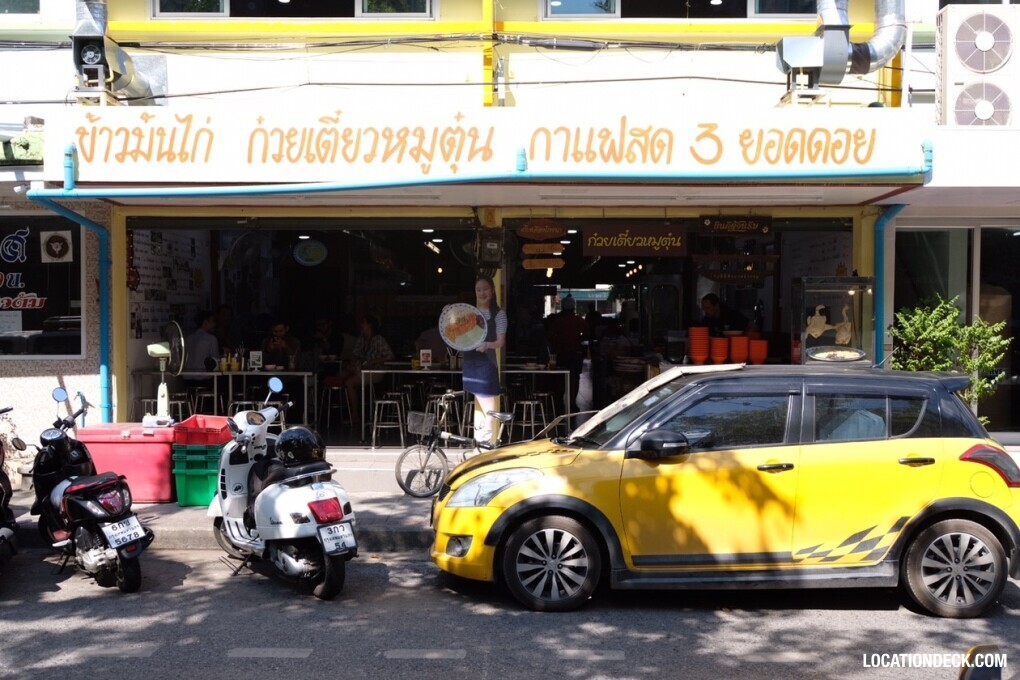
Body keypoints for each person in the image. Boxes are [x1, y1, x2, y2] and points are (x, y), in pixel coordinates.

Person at [461, 276, 507, 445]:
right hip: (470, 360)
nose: (482, 293)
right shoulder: (471, 313)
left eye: (485, 289)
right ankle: (481, 439)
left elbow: (500, 342)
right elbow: (458, 332)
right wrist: (450, 312)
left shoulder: (499, 314)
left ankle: (487, 438)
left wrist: (487, 344)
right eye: (478, 290)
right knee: (480, 399)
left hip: (486, 363)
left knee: (488, 401)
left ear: (493, 291)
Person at [340, 314, 395, 424]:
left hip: (376, 371)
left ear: (370, 325)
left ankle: (355, 415)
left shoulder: (379, 339)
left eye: (363, 323)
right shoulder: (362, 339)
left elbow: (390, 356)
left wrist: (372, 362)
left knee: (349, 382)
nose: (361, 325)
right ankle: (345, 411)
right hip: (361, 369)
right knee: (342, 375)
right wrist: (353, 362)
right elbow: (355, 354)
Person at [546, 294, 589, 413]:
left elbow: (550, 336)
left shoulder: (556, 321)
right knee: (574, 379)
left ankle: (559, 403)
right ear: (574, 308)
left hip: (560, 354)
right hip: (575, 354)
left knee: (560, 379)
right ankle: (572, 403)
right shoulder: (579, 321)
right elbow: (586, 335)